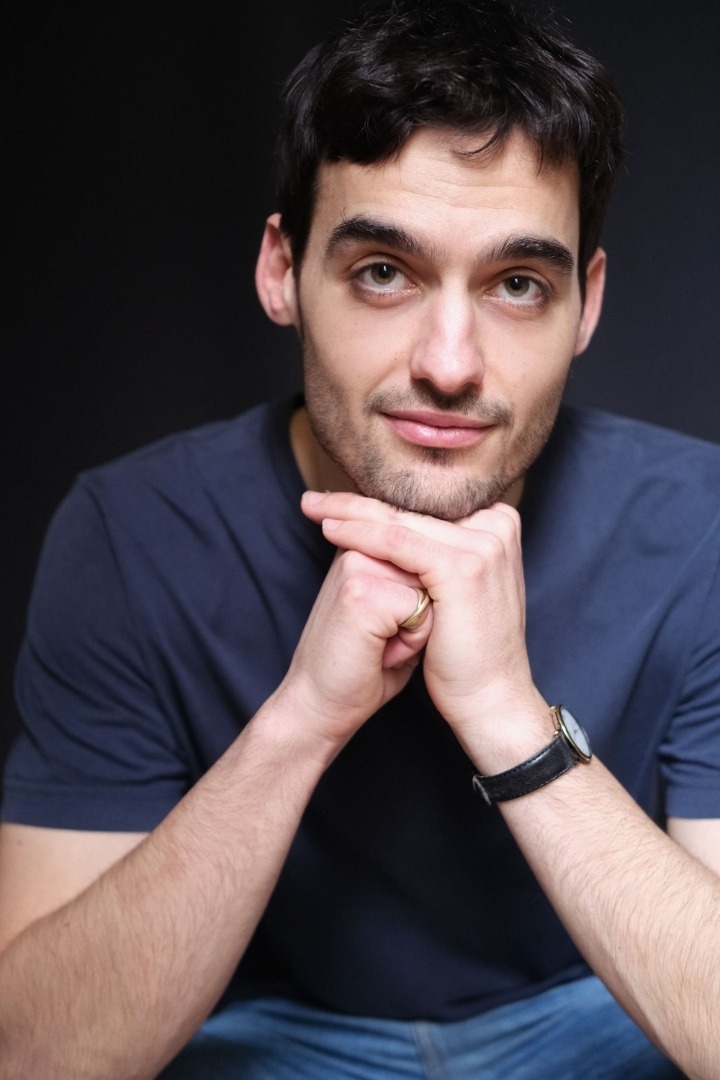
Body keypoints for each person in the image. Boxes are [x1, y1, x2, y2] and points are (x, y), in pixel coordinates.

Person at [1, 0, 719, 1076]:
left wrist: (507, 714)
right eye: (384, 270)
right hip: (266, 1030)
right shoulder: (129, 535)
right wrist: (302, 719)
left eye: (518, 285)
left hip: (602, 1011)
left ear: (586, 305)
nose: (449, 363)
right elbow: (36, 1057)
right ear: (281, 270)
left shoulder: (701, 523)